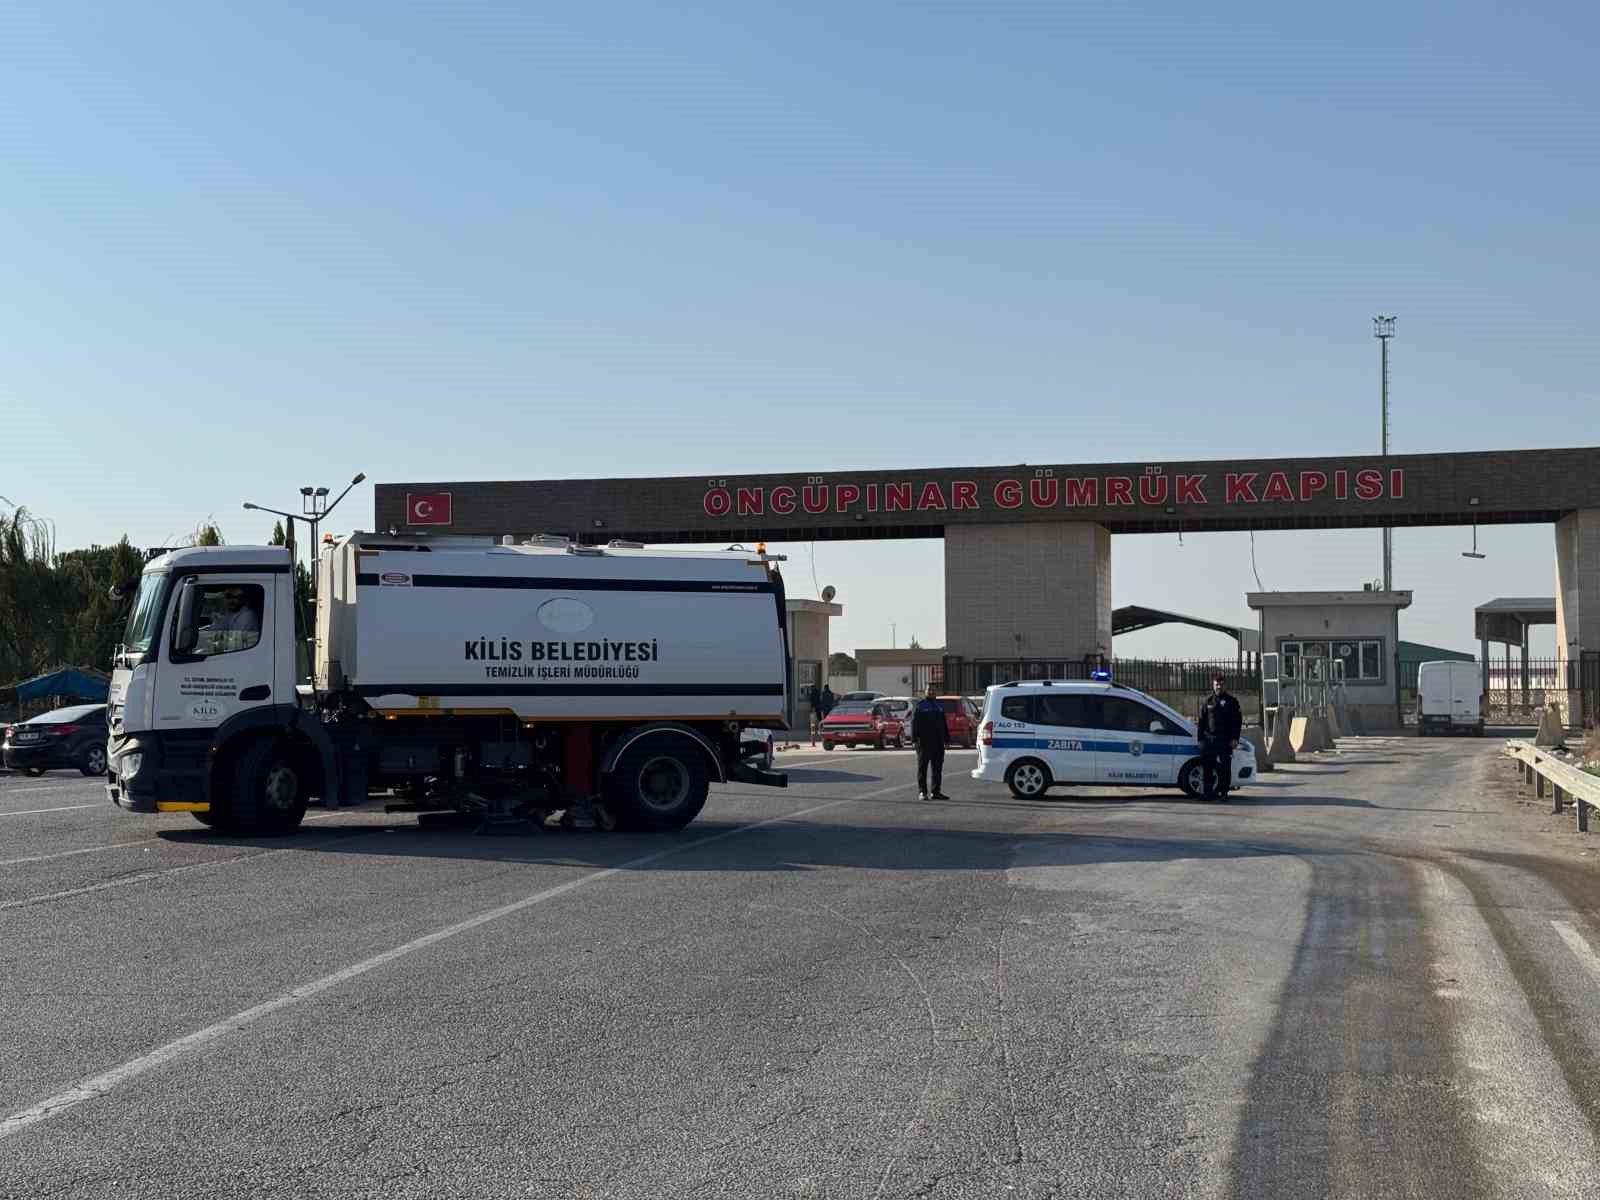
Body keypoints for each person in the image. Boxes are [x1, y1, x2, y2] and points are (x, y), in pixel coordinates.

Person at [1196, 674, 1242, 799]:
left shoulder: (1232, 702)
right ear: (1213, 685)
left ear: (1225, 685)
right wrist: (1200, 739)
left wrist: (1235, 738)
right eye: (1216, 684)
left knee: (1225, 767)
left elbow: (1237, 722)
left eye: (1221, 684)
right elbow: (1201, 722)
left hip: (1225, 740)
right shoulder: (1208, 701)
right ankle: (1208, 792)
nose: (1219, 687)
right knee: (1207, 767)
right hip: (1210, 740)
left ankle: (1224, 793)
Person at [910, 682, 950, 801]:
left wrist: (947, 739)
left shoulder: (939, 706)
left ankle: (936, 792)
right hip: (923, 742)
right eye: (929, 690)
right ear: (925, 691)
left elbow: (943, 724)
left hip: (938, 743)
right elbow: (914, 723)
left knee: (937, 768)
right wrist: (914, 740)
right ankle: (922, 792)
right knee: (923, 768)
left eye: (933, 690)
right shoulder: (920, 705)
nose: (931, 692)